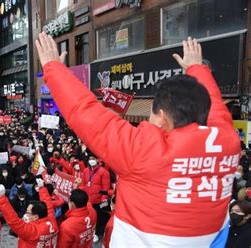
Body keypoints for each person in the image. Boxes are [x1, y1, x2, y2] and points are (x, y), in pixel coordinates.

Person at [36, 33, 241, 246]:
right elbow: (215, 107)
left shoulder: (142, 151)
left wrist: (53, 67)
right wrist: (197, 68)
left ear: (161, 116)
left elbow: (85, 112)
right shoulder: (228, 141)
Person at [0, 178, 58, 247]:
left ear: (35, 216)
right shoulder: (52, 221)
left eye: (28, 212)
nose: (26, 214)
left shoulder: (32, 231)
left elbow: (14, 221)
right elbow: (48, 206)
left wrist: (1, 198)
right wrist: (42, 188)